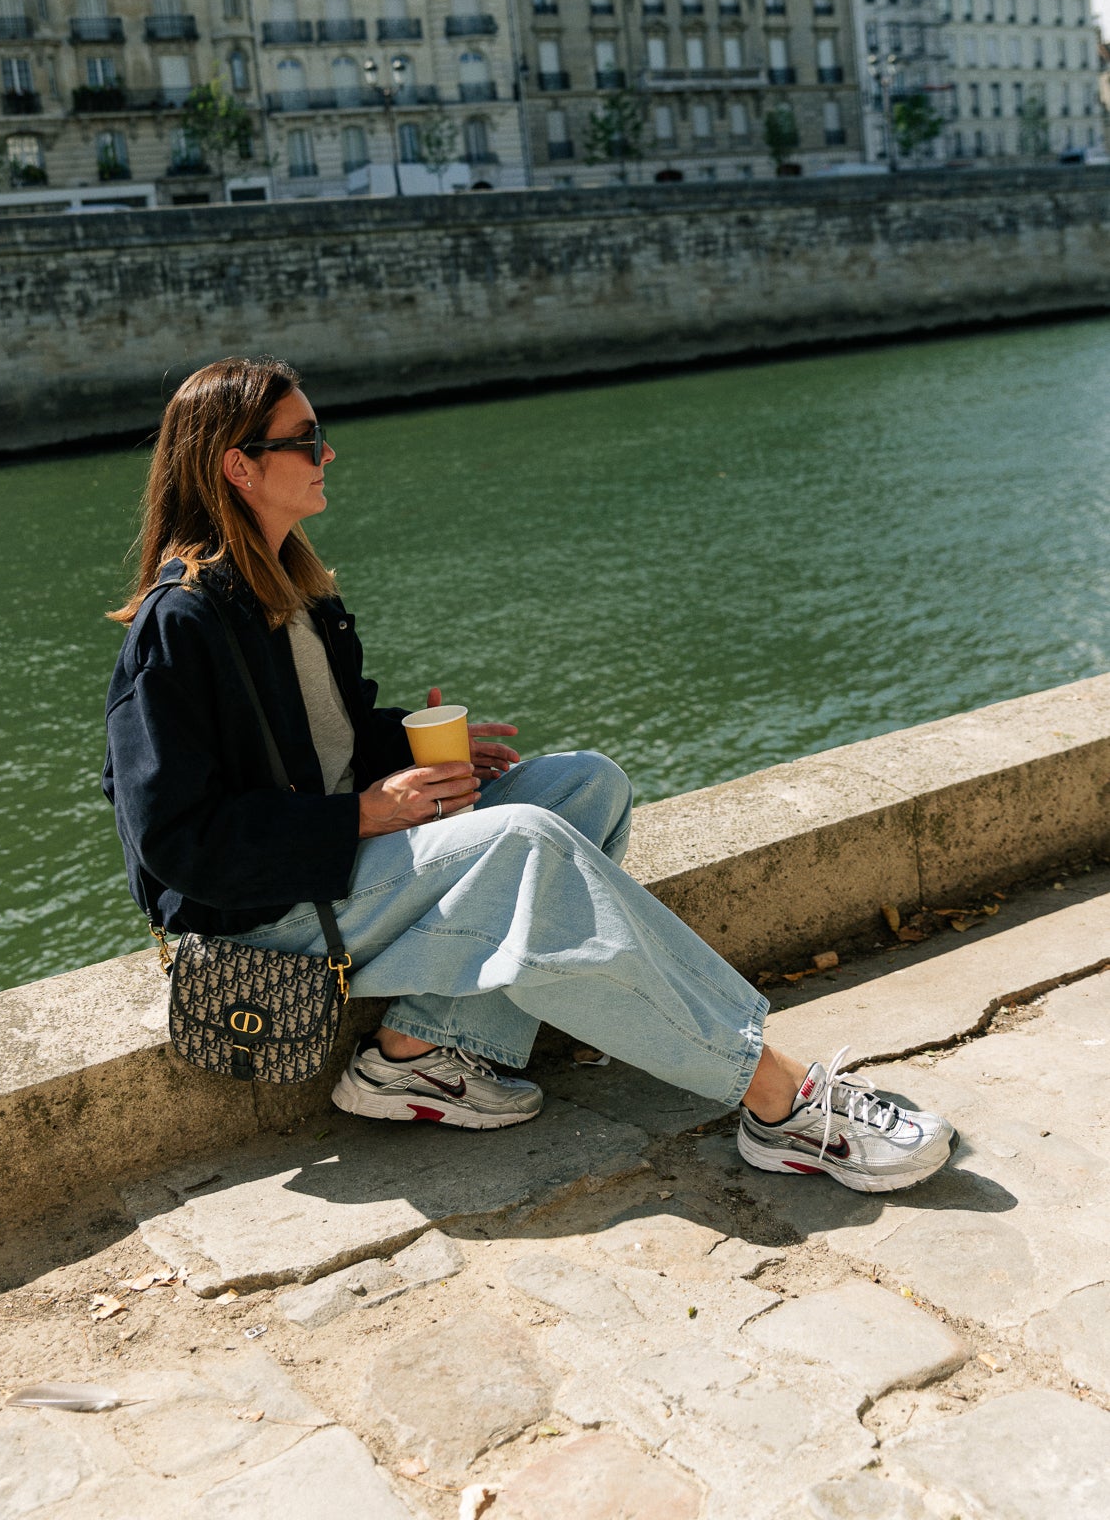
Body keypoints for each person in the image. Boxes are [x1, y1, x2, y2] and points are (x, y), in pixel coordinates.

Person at [104, 357, 954, 1193]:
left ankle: (422, 1055)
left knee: (585, 785)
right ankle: (783, 1104)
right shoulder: (180, 621)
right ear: (237, 465)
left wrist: (410, 745)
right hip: (267, 921)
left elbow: (321, 742)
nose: (329, 454)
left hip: (339, 876)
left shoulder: (297, 589)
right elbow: (176, 842)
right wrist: (361, 816)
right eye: (306, 438)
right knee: (524, 840)